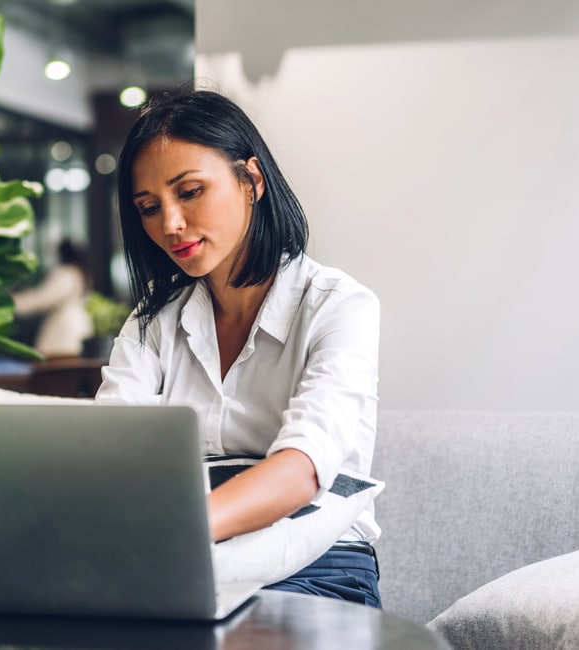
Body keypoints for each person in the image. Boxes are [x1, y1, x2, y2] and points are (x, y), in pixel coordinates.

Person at [95, 87, 382, 607]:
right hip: (180, 564)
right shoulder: (152, 326)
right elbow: (109, 453)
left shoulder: (339, 306)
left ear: (251, 180)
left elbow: (302, 467)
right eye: (148, 207)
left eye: (190, 191)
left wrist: (178, 529)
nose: (170, 224)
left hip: (319, 565)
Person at [12, 239, 93, 358]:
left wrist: (11, 303)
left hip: (64, 331)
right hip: (76, 329)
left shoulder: (67, 274)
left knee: (56, 368)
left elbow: (42, 298)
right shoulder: (81, 273)